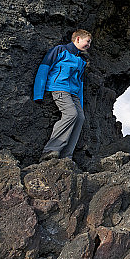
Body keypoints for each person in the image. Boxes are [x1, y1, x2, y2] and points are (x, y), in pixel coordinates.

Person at [33, 29, 92, 161]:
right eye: (87, 42)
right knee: (71, 114)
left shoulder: (81, 60)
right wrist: (38, 93)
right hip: (59, 88)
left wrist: (80, 105)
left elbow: (80, 83)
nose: (89, 45)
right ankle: (51, 150)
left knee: (80, 117)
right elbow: (43, 69)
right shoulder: (60, 50)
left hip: (73, 93)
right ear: (77, 39)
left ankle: (66, 155)